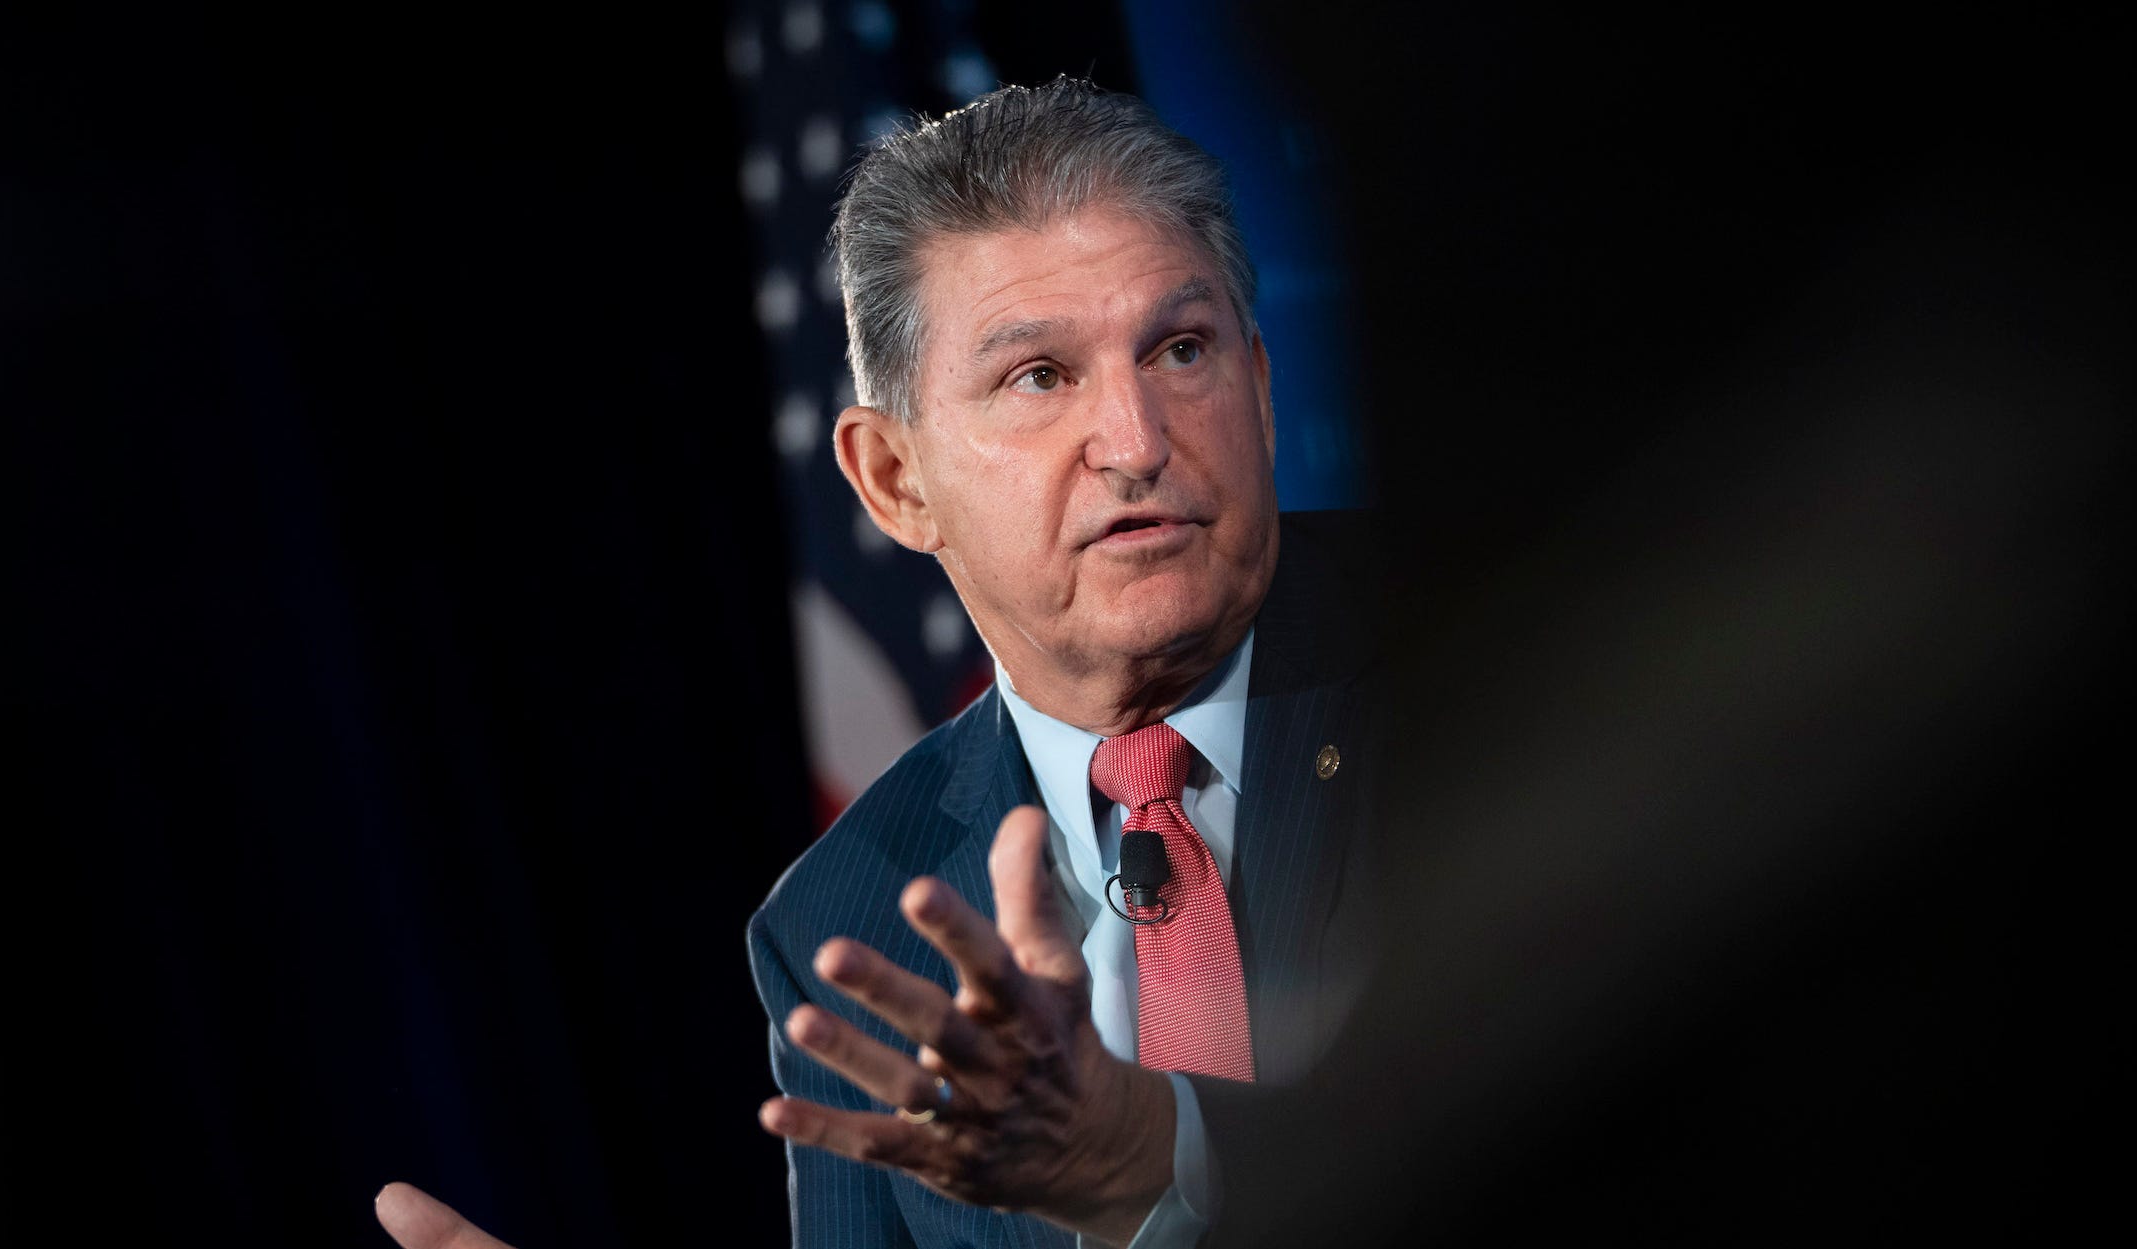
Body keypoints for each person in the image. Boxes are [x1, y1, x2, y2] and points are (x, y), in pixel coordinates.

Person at [375, 76, 1382, 1249]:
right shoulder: (840, 921)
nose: (1135, 441)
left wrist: (1160, 1165)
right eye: (1039, 376)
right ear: (894, 481)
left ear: (1259, 392)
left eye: (1178, 347)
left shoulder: (1474, 623)